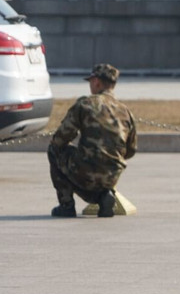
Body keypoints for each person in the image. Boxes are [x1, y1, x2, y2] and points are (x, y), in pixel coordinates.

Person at [48, 63, 137, 218]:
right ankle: (103, 196)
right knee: (96, 170)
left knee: (54, 151)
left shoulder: (85, 104)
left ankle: (66, 205)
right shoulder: (125, 111)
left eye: (90, 82)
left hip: (86, 173)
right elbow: (131, 150)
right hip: (111, 176)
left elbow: (60, 139)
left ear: (96, 82)